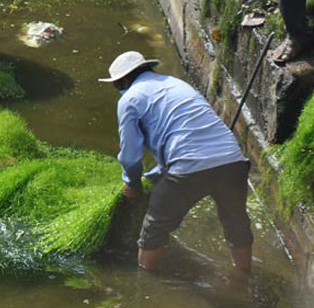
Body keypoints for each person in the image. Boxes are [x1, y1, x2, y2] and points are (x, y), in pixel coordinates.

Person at [99, 51, 253, 275]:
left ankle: (146, 285)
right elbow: (183, 134)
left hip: (189, 168)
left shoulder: (129, 99)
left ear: (123, 80)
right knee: (236, 222)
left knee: (154, 229)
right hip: (233, 160)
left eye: (117, 85)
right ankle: (243, 277)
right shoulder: (175, 83)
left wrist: (132, 184)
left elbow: (130, 155)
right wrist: (153, 175)